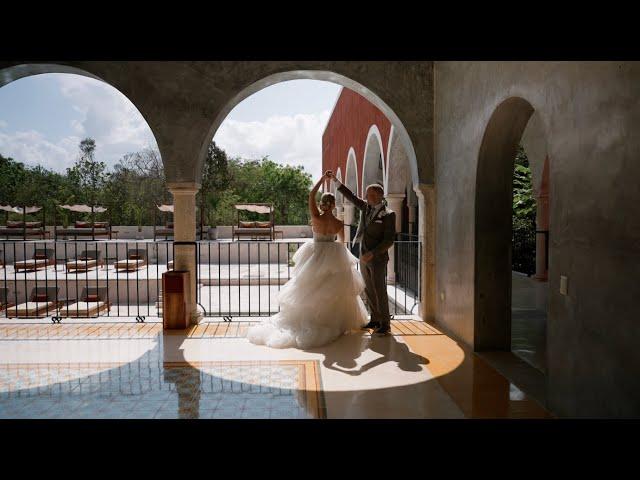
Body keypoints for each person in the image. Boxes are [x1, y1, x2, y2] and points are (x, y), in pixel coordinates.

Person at [246, 172, 367, 349]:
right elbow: (342, 242)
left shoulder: (316, 218)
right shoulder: (339, 223)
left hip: (315, 253)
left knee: (309, 289)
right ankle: (332, 323)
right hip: (333, 255)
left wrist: (321, 180)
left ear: (322, 204)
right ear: (333, 206)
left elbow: (311, 194)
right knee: (332, 291)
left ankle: (314, 320)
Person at [326, 169, 396, 336]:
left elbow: (389, 240)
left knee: (380, 289)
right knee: (369, 289)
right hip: (363, 255)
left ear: (378, 195)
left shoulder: (389, 214)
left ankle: (385, 324)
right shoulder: (365, 208)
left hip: (377, 258)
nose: (365, 197)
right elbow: (351, 196)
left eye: (369, 194)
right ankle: (375, 319)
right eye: (366, 194)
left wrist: (373, 253)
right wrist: (335, 180)